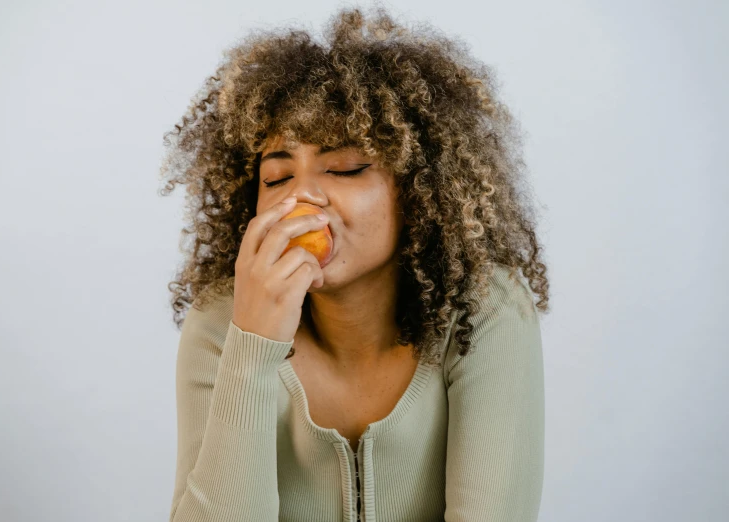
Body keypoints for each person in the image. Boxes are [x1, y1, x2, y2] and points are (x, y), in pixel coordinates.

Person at [159, 5, 550, 521]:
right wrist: (252, 346)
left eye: (345, 168)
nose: (301, 198)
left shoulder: (483, 311)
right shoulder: (220, 324)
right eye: (276, 178)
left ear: (418, 189)